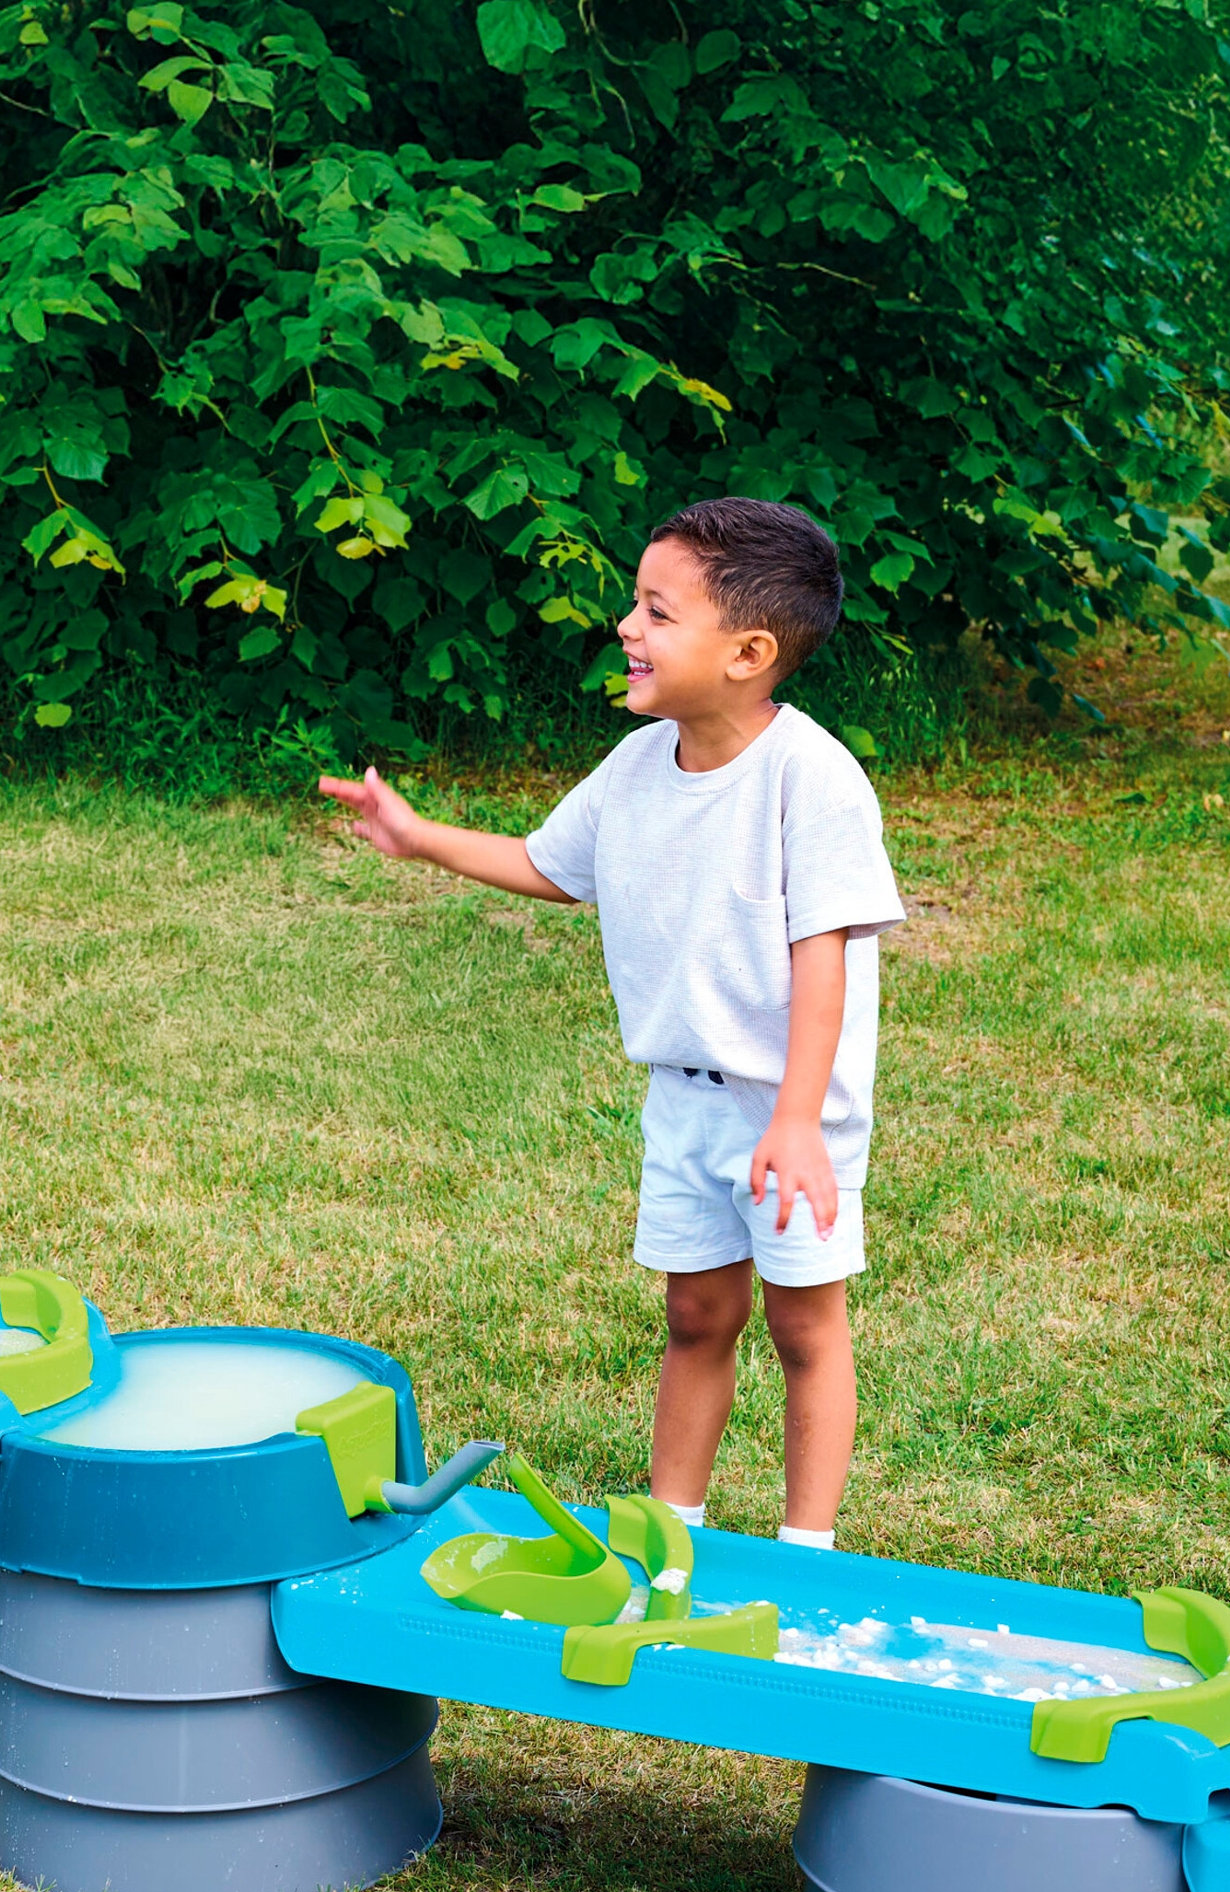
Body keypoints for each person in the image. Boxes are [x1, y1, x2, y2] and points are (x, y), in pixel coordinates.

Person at [319, 497, 902, 1547]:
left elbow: (824, 962)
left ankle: (809, 1553)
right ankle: (668, 1530)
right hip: (684, 1102)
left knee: (802, 1326)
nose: (627, 627)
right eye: (635, 603)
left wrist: (796, 1121)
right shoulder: (635, 767)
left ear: (748, 653)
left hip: (790, 1116)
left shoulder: (809, 780)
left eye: (657, 612)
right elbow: (549, 864)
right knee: (695, 1315)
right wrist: (418, 837)